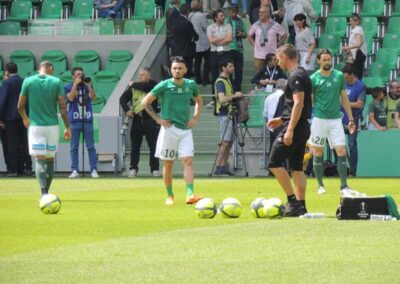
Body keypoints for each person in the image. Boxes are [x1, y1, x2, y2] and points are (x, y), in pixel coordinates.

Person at [141, 56, 203, 206]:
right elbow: (145, 102)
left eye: (180, 68)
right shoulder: (164, 85)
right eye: (174, 68)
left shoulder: (191, 85)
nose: (177, 71)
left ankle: (190, 194)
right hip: (168, 129)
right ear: (171, 70)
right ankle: (170, 195)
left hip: (185, 130)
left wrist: (195, 117)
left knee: (187, 161)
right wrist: (157, 119)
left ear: (185, 69)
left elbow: (199, 101)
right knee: (168, 164)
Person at [266, 44, 312, 217]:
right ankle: (301, 206)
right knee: (296, 168)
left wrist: (290, 129)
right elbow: (301, 104)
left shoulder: (295, 76)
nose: (278, 63)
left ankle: (292, 201)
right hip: (302, 125)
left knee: (274, 163)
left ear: (285, 57)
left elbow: (299, 103)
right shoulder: (302, 73)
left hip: (297, 126)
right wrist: (283, 119)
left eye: (279, 59)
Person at [17, 61, 70, 196]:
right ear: (50, 68)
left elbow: (20, 106)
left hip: (36, 126)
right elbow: (63, 107)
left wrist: (25, 118)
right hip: (52, 126)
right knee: (50, 159)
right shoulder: (57, 81)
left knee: (40, 159)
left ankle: (43, 192)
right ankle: (47, 191)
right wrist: (67, 127)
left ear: (39, 68)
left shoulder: (28, 81)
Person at [310, 49, 357, 195]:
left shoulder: (339, 76)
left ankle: (343, 186)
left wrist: (350, 119)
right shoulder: (313, 78)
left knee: (341, 150)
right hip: (319, 119)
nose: (326, 62)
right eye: (324, 60)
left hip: (336, 120)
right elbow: (310, 101)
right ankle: (320, 185)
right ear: (318, 61)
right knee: (318, 151)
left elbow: (344, 98)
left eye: (328, 59)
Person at [119, 67, 160, 177]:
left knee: (154, 146)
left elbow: (145, 87)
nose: (140, 76)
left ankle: (155, 169)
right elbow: (122, 99)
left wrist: (132, 84)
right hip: (137, 120)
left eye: (142, 75)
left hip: (151, 120)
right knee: (135, 147)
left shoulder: (154, 85)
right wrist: (127, 110)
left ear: (148, 76)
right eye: (140, 75)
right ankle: (133, 168)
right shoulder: (134, 88)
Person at [65, 67, 99, 178]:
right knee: (74, 147)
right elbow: (70, 98)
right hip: (74, 120)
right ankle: (75, 170)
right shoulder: (68, 86)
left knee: (90, 146)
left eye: (81, 74)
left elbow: (93, 98)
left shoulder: (86, 85)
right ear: (73, 76)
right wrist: (75, 84)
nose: (80, 76)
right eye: (77, 74)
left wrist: (89, 85)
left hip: (87, 120)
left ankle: (93, 169)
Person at [0, 62, 32, 177]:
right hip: (23, 116)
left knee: (12, 144)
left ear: (7, 71)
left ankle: (13, 170)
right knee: (24, 143)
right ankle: (27, 168)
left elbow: (2, 102)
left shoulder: (6, 83)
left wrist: (1, 119)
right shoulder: (24, 81)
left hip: (10, 118)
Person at [213, 58, 243, 176]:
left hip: (229, 114)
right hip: (224, 114)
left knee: (229, 142)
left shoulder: (227, 80)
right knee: (224, 142)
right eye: (230, 66)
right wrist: (235, 95)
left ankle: (223, 167)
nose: (232, 68)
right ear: (223, 67)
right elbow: (222, 99)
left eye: (232, 66)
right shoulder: (220, 81)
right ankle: (217, 168)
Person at [341, 64, 365, 176]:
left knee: (352, 144)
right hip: (341, 117)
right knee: (338, 144)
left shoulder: (360, 86)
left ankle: (352, 171)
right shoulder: (343, 85)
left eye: (347, 77)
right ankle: (342, 168)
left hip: (354, 118)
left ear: (352, 75)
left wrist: (345, 104)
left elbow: (359, 104)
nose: (345, 79)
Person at [247, 6, 286, 72]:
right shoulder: (256, 25)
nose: (260, 14)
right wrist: (254, 44)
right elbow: (249, 35)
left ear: (267, 13)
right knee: (259, 75)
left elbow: (284, 35)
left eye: (262, 12)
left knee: (273, 74)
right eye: (259, 12)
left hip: (272, 55)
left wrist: (279, 44)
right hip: (258, 55)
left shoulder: (275, 25)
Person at [207, 9, 233, 95]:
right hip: (214, 53)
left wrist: (217, 41)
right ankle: (214, 97)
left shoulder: (228, 26)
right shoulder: (210, 27)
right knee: (214, 75)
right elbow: (211, 40)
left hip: (226, 52)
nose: (223, 17)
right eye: (221, 16)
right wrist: (223, 38)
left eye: (223, 15)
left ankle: (229, 96)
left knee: (228, 74)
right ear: (216, 18)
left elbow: (229, 39)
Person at [170, 4, 199, 78]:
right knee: (186, 72)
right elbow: (195, 36)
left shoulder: (174, 21)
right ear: (188, 12)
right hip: (186, 52)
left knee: (177, 72)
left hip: (175, 50)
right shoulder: (187, 23)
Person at [189, 0, 211, 85]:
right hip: (204, 42)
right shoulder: (201, 16)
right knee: (207, 61)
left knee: (197, 62)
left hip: (194, 42)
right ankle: (205, 79)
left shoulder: (190, 15)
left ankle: (198, 80)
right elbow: (206, 27)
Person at [226, 4, 247, 92]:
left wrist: (242, 34)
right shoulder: (225, 21)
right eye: (232, 12)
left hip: (239, 50)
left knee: (239, 72)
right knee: (228, 72)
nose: (233, 14)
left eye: (235, 12)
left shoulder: (241, 22)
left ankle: (237, 90)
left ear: (237, 12)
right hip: (228, 49)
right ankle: (230, 89)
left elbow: (245, 34)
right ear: (229, 12)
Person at [340, 13, 367, 80]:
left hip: (359, 54)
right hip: (356, 54)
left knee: (356, 74)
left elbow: (358, 44)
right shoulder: (356, 30)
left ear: (357, 21)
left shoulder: (358, 29)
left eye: (352, 21)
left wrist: (346, 48)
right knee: (353, 73)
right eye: (350, 21)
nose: (350, 23)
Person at [263, 78, 286, 153]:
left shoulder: (269, 97)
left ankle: (271, 164)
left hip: (272, 126)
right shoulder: (286, 97)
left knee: (273, 147)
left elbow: (265, 114)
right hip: (284, 126)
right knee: (284, 148)